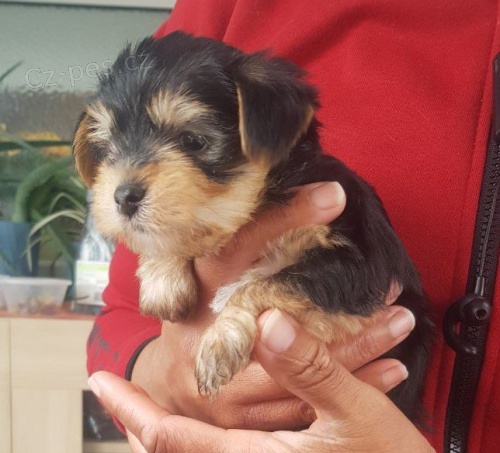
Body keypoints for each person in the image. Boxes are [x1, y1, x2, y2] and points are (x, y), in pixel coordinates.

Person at [86, 1, 500, 452]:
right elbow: (122, 316)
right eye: (108, 146)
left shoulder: (335, 210)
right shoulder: (217, 12)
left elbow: (350, 287)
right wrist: (162, 377)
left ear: (274, 132)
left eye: (193, 141)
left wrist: (246, 310)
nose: (127, 180)